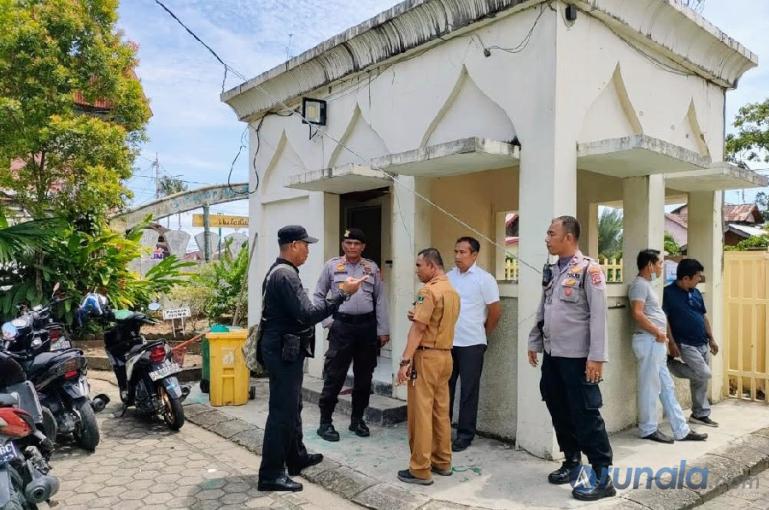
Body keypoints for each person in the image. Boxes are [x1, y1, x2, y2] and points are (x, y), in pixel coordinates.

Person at [257, 225, 367, 492]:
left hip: (285, 350)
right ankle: (271, 474)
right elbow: (307, 313)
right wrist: (342, 293)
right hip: (282, 352)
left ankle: (296, 457)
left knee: (293, 407)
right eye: (306, 245)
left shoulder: (281, 271)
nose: (308, 251)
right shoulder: (285, 276)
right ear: (294, 245)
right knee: (281, 413)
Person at [527, 216, 615, 501]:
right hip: (554, 355)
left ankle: (603, 476)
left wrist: (597, 357)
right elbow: (545, 308)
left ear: (568, 238)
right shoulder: (553, 270)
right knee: (558, 407)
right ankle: (572, 461)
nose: (546, 238)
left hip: (579, 358)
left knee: (586, 414)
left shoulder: (590, 270)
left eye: (551, 233)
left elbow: (599, 317)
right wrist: (534, 341)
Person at [314, 228, 389, 441]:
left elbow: (380, 299)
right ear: (343, 245)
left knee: (364, 378)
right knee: (335, 376)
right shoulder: (332, 266)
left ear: (363, 247)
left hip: (366, 328)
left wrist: (383, 330)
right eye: (349, 243)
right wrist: (328, 321)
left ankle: (357, 420)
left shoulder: (371, 268)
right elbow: (318, 295)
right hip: (342, 328)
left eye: (357, 244)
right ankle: (325, 422)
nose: (352, 247)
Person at [396, 248, 460, 486]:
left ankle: (420, 468)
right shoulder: (452, 291)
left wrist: (405, 361)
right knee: (440, 412)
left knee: (420, 414)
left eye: (419, 265)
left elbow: (419, 329)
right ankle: (443, 461)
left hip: (426, 358)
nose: (417, 270)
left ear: (432, 266)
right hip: (445, 356)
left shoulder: (428, 291)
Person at [629, 250, 707, 444]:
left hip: (656, 342)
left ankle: (681, 430)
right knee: (650, 387)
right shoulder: (639, 285)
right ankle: (648, 429)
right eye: (659, 263)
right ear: (649, 265)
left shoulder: (647, 285)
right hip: (649, 341)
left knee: (667, 387)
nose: (661, 267)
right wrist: (658, 332)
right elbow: (637, 314)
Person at [446, 236, 501, 452]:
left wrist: (482, 334)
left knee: (469, 390)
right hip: (448, 343)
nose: (458, 256)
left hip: (472, 343)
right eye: (456, 251)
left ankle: (465, 435)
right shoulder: (448, 277)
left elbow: (495, 312)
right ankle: (443, 430)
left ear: (474, 255)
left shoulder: (484, 279)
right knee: (445, 389)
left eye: (463, 252)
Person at [663, 258, 720, 428]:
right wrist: (671, 343)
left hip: (701, 342)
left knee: (700, 381)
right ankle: (670, 365)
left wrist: (711, 338)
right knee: (704, 373)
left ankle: (699, 414)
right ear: (686, 278)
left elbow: (703, 317)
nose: (699, 279)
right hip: (685, 343)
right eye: (697, 277)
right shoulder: (668, 294)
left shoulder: (695, 293)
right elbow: (664, 319)